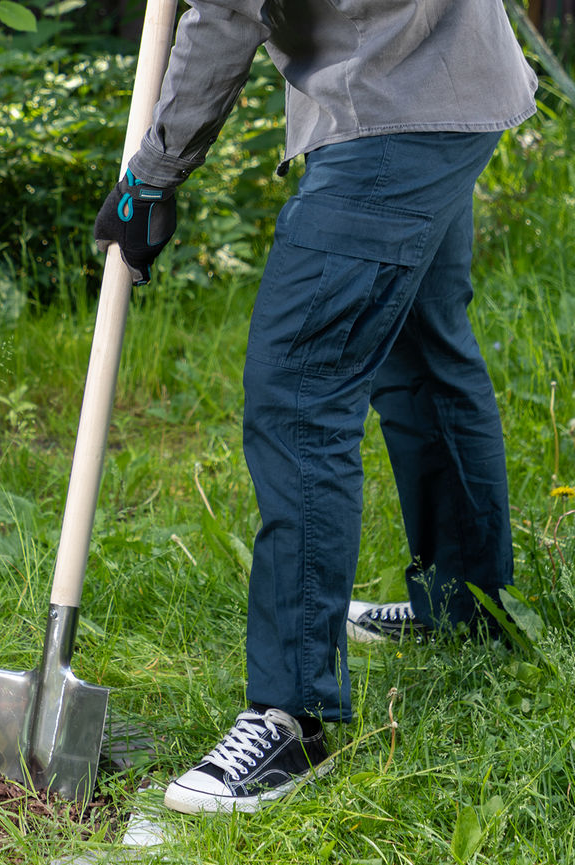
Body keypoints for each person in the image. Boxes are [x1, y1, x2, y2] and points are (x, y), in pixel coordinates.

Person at [94, 0, 538, 815]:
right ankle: (467, 606)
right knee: (423, 355)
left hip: (393, 105)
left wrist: (153, 174)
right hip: (452, 76)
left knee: (300, 387)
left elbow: (231, 8)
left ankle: (294, 717)